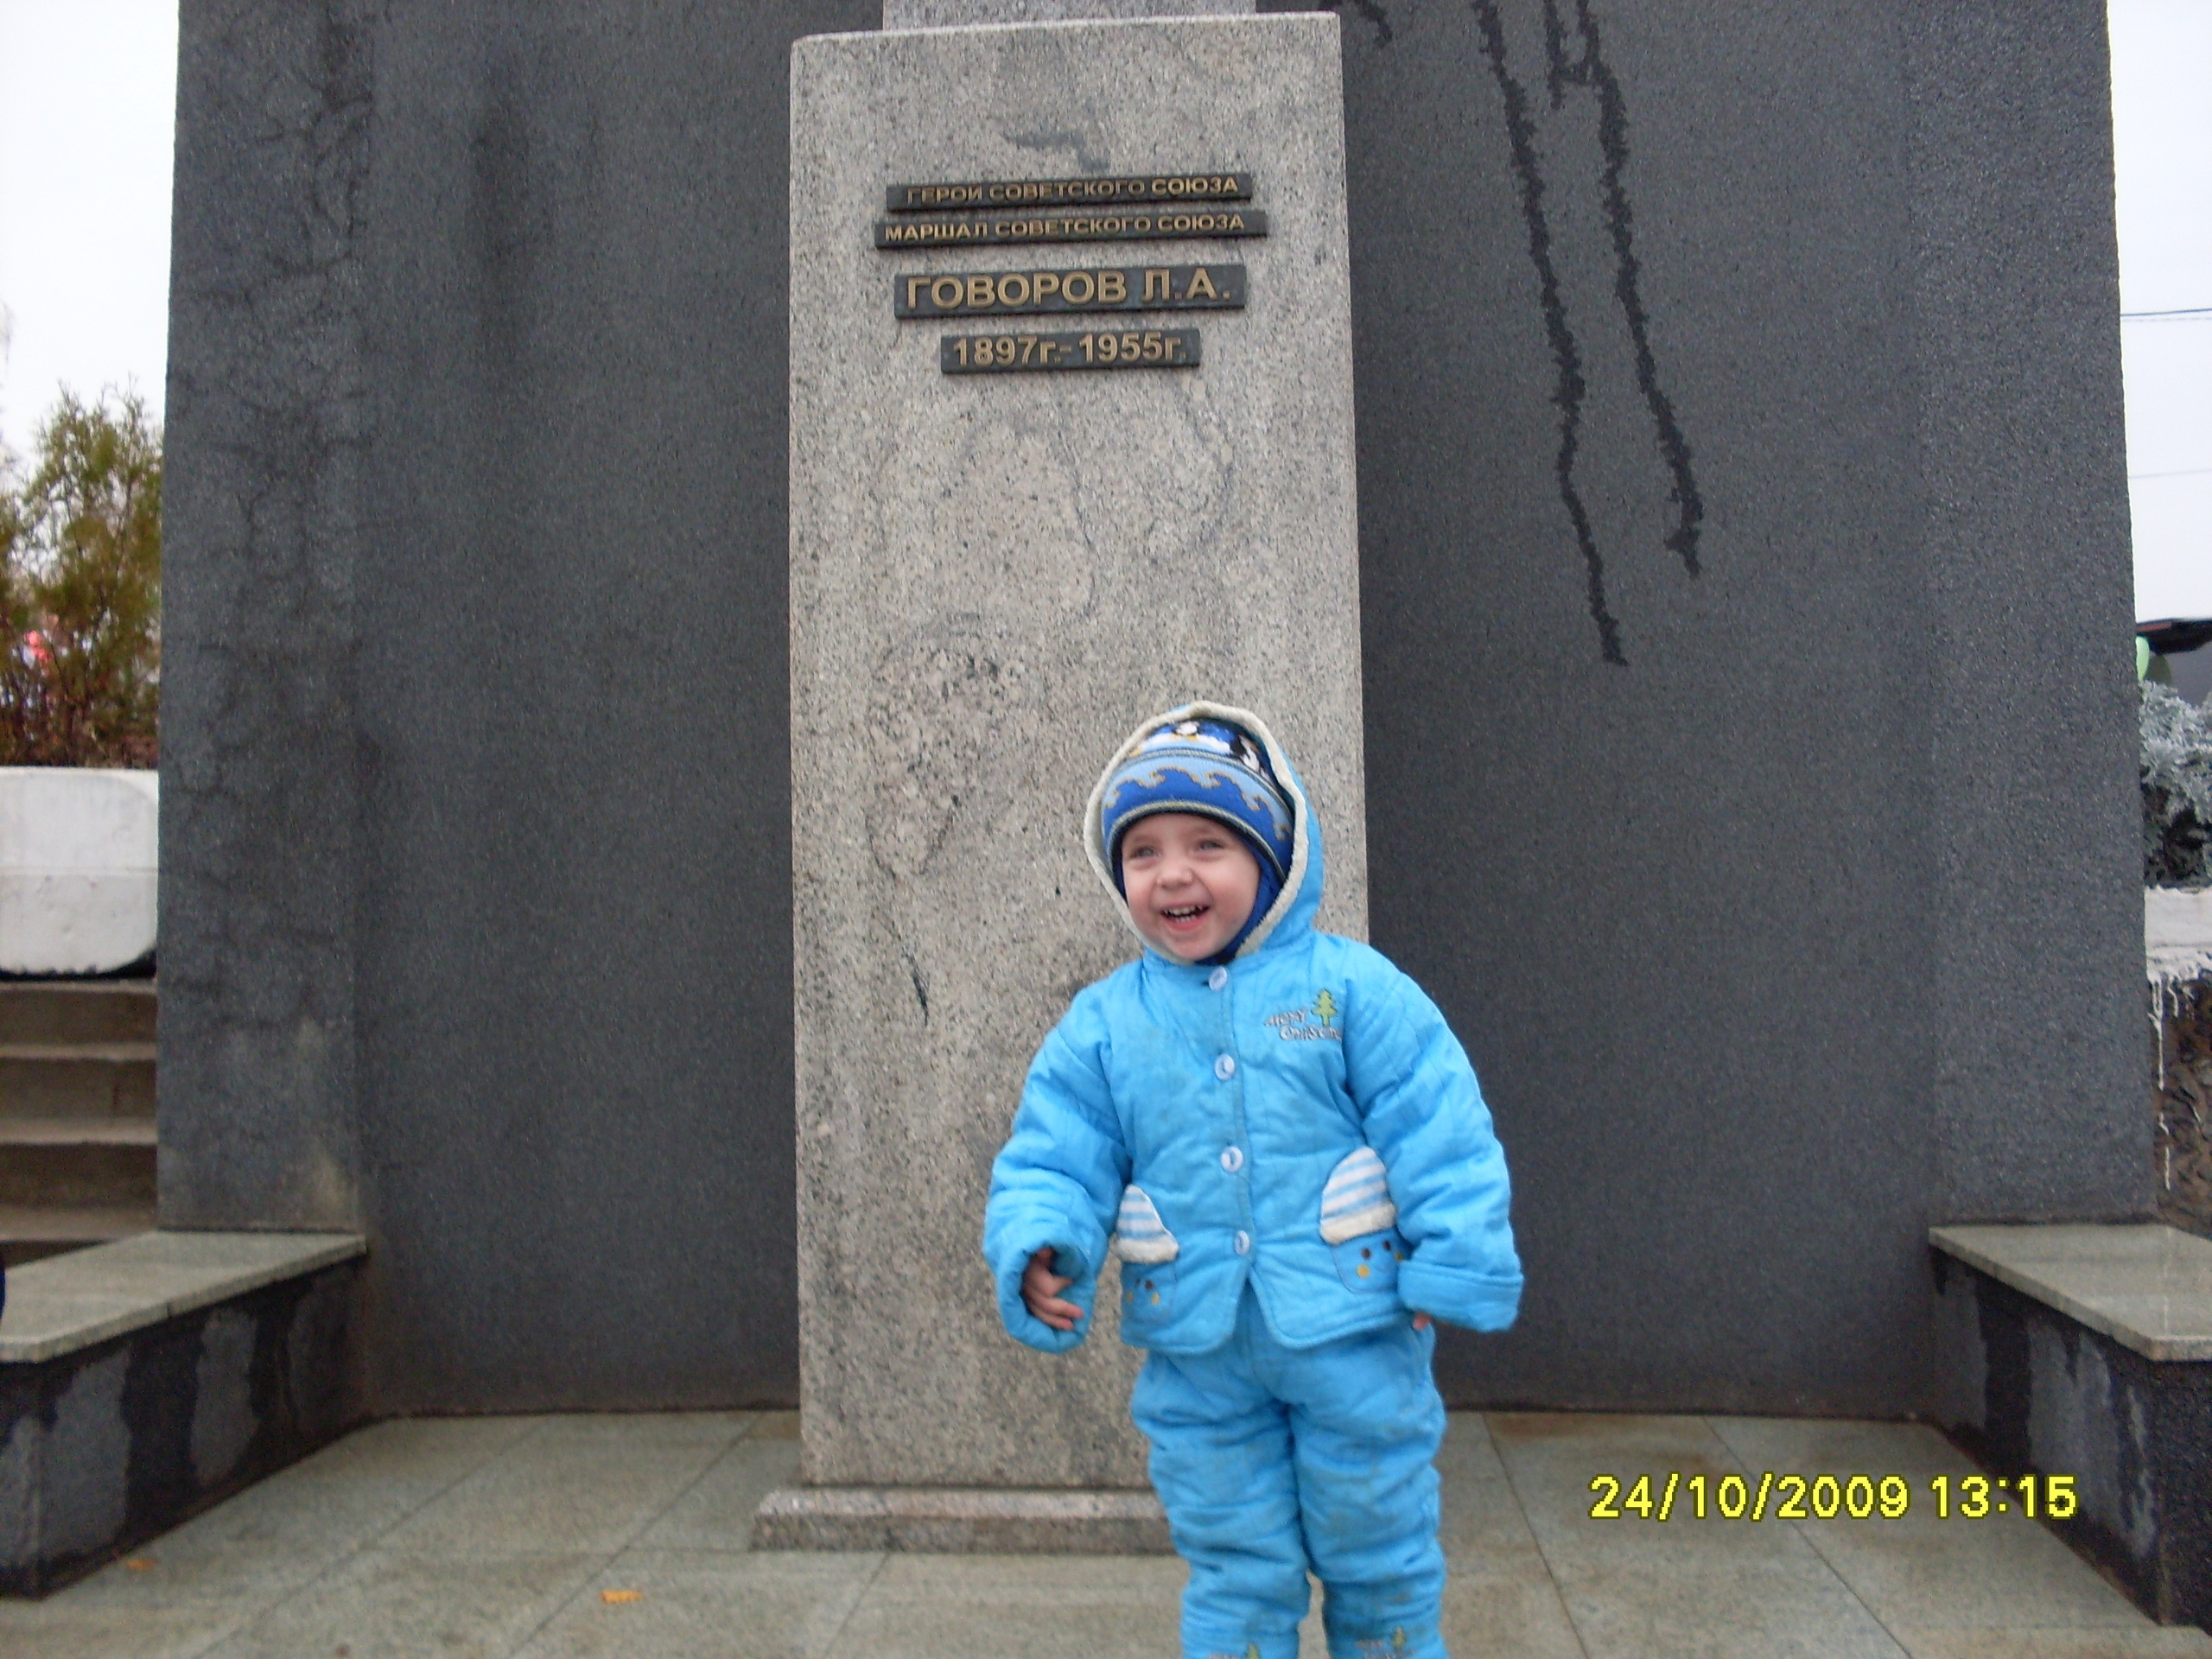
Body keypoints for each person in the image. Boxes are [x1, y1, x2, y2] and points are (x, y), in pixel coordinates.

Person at [982, 702, 1523, 1659]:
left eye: (1208, 844)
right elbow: (1057, 1150)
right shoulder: (1105, 1025)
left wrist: (1456, 1258)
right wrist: (1042, 1238)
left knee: (1380, 1547)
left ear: (1274, 861)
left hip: (1356, 1331)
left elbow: (1438, 1122)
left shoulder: (1348, 991)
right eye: (1142, 851)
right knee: (1234, 1563)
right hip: (1197, 1352)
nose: (1172, 873)